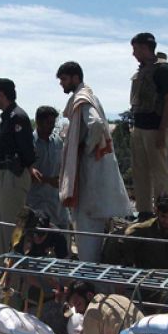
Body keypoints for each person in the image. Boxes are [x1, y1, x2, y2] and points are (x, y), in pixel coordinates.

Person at [56, 61, 131, 262]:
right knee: (89, 238)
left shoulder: (83, 99)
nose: (61, 84)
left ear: (75, 77)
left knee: (87, 241)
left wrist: (86, 150)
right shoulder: (86, 98)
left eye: (63, 79)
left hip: (89, 181)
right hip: (90, 181)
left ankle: (89, 285)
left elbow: (96, 124)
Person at [129, 32, 168, 221]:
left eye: (135, 49)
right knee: (140, 171)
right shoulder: (143, 70)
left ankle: (164, 210)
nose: (133, 54)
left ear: (144, 48)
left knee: (159, 172)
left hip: (155, 127)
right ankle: (144, 211)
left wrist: (162, 130)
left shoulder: (163, 70)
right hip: (140, 127)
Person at [0, 78, 35, 253]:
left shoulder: (17, 117)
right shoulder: (7, 117)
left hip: (14, 175)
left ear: (1, 94)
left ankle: (14, 272)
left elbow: (27, 151)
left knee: (12, 227)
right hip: (4, 175)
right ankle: (5, 267)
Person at [29, 106, 67, 229]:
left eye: (53, 123)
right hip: (35, 204)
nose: (52, 126)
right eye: (49, 123)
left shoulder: (58, 142)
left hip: (57, 206)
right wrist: (49, 180)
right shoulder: (29, 143)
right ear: (39, 122)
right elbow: (28, 174)